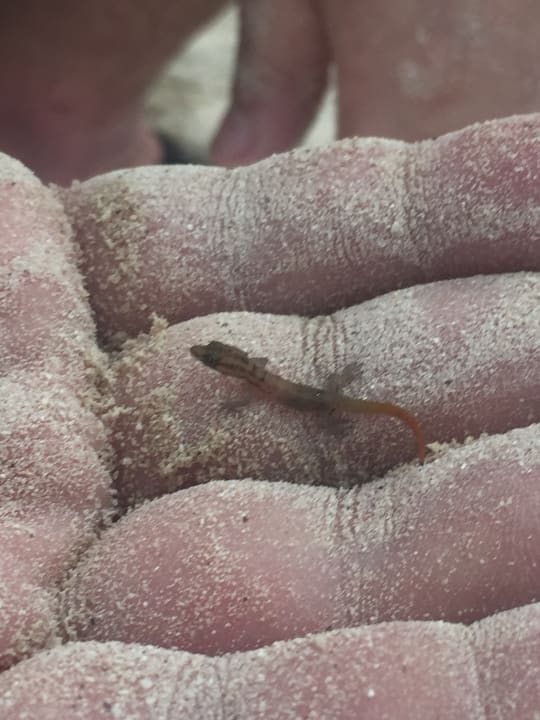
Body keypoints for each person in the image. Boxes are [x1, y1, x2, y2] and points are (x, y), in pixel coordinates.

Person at [0, 3, 538, 718]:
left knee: (343, 409)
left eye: (212, 360)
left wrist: (241, 397)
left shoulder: (251, 381)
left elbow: (255, 390)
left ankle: (397, 429)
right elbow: (251, 380)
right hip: (312, 389)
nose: (210, 361)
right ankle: (393, 425)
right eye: (214, 361)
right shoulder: (247, 371)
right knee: (345, 400)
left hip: (316, 399)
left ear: (229, 368)